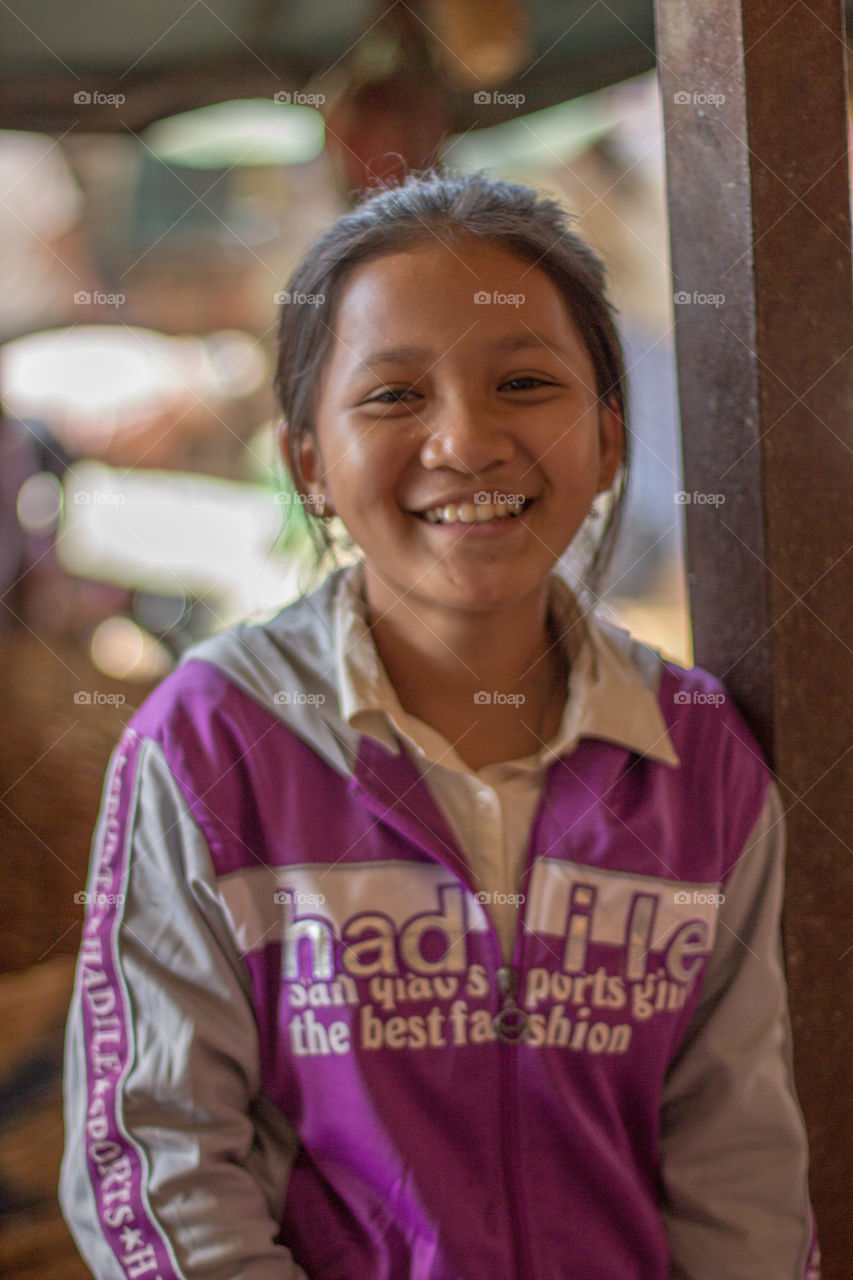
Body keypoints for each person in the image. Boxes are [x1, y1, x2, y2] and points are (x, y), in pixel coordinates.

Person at [60, 170, 820, 1280]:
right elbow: (155, 1151)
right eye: (392, 396)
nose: (465, 439)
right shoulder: (216, 741)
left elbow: (735, 1160)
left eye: (523, 381)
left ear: (609, 439)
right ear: (307, 462)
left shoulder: (697, 760)